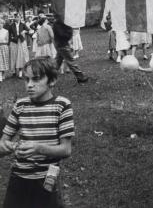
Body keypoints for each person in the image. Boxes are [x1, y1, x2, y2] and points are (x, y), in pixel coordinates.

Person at [0, 57, 74, 208]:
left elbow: (66, 150)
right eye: (26, 80)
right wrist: (6, 147)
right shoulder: (20, 106)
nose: (29, 85)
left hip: (46, 179)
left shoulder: (62, 106)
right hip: (19, 177)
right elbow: (3, 141)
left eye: (36, 79)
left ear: (52, 81)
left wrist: (39, 148)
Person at [52, 14, 88, 84]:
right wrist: (68, 31)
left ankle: (49, 77)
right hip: (61, 44)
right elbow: (63, 35)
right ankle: (81, 77)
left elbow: (68, 33)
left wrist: (69, 31)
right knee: (70, 60)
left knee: (58, 62)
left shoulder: (63, 23)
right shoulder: (57, 24)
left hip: (62, 44)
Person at [8, 13, 29, 78]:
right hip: (14, 42)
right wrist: (10, 40)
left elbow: (28, 30)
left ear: (20, 17)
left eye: (18, 17)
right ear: (14, 18)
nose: (17, 18)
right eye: (16, 17)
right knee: (13, 57)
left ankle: (20, 73)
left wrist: (24, 31)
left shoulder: (23, 24)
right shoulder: (11, 25)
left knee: (21, 56)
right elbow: (9, 34)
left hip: (21, 42)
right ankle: (14, 72)